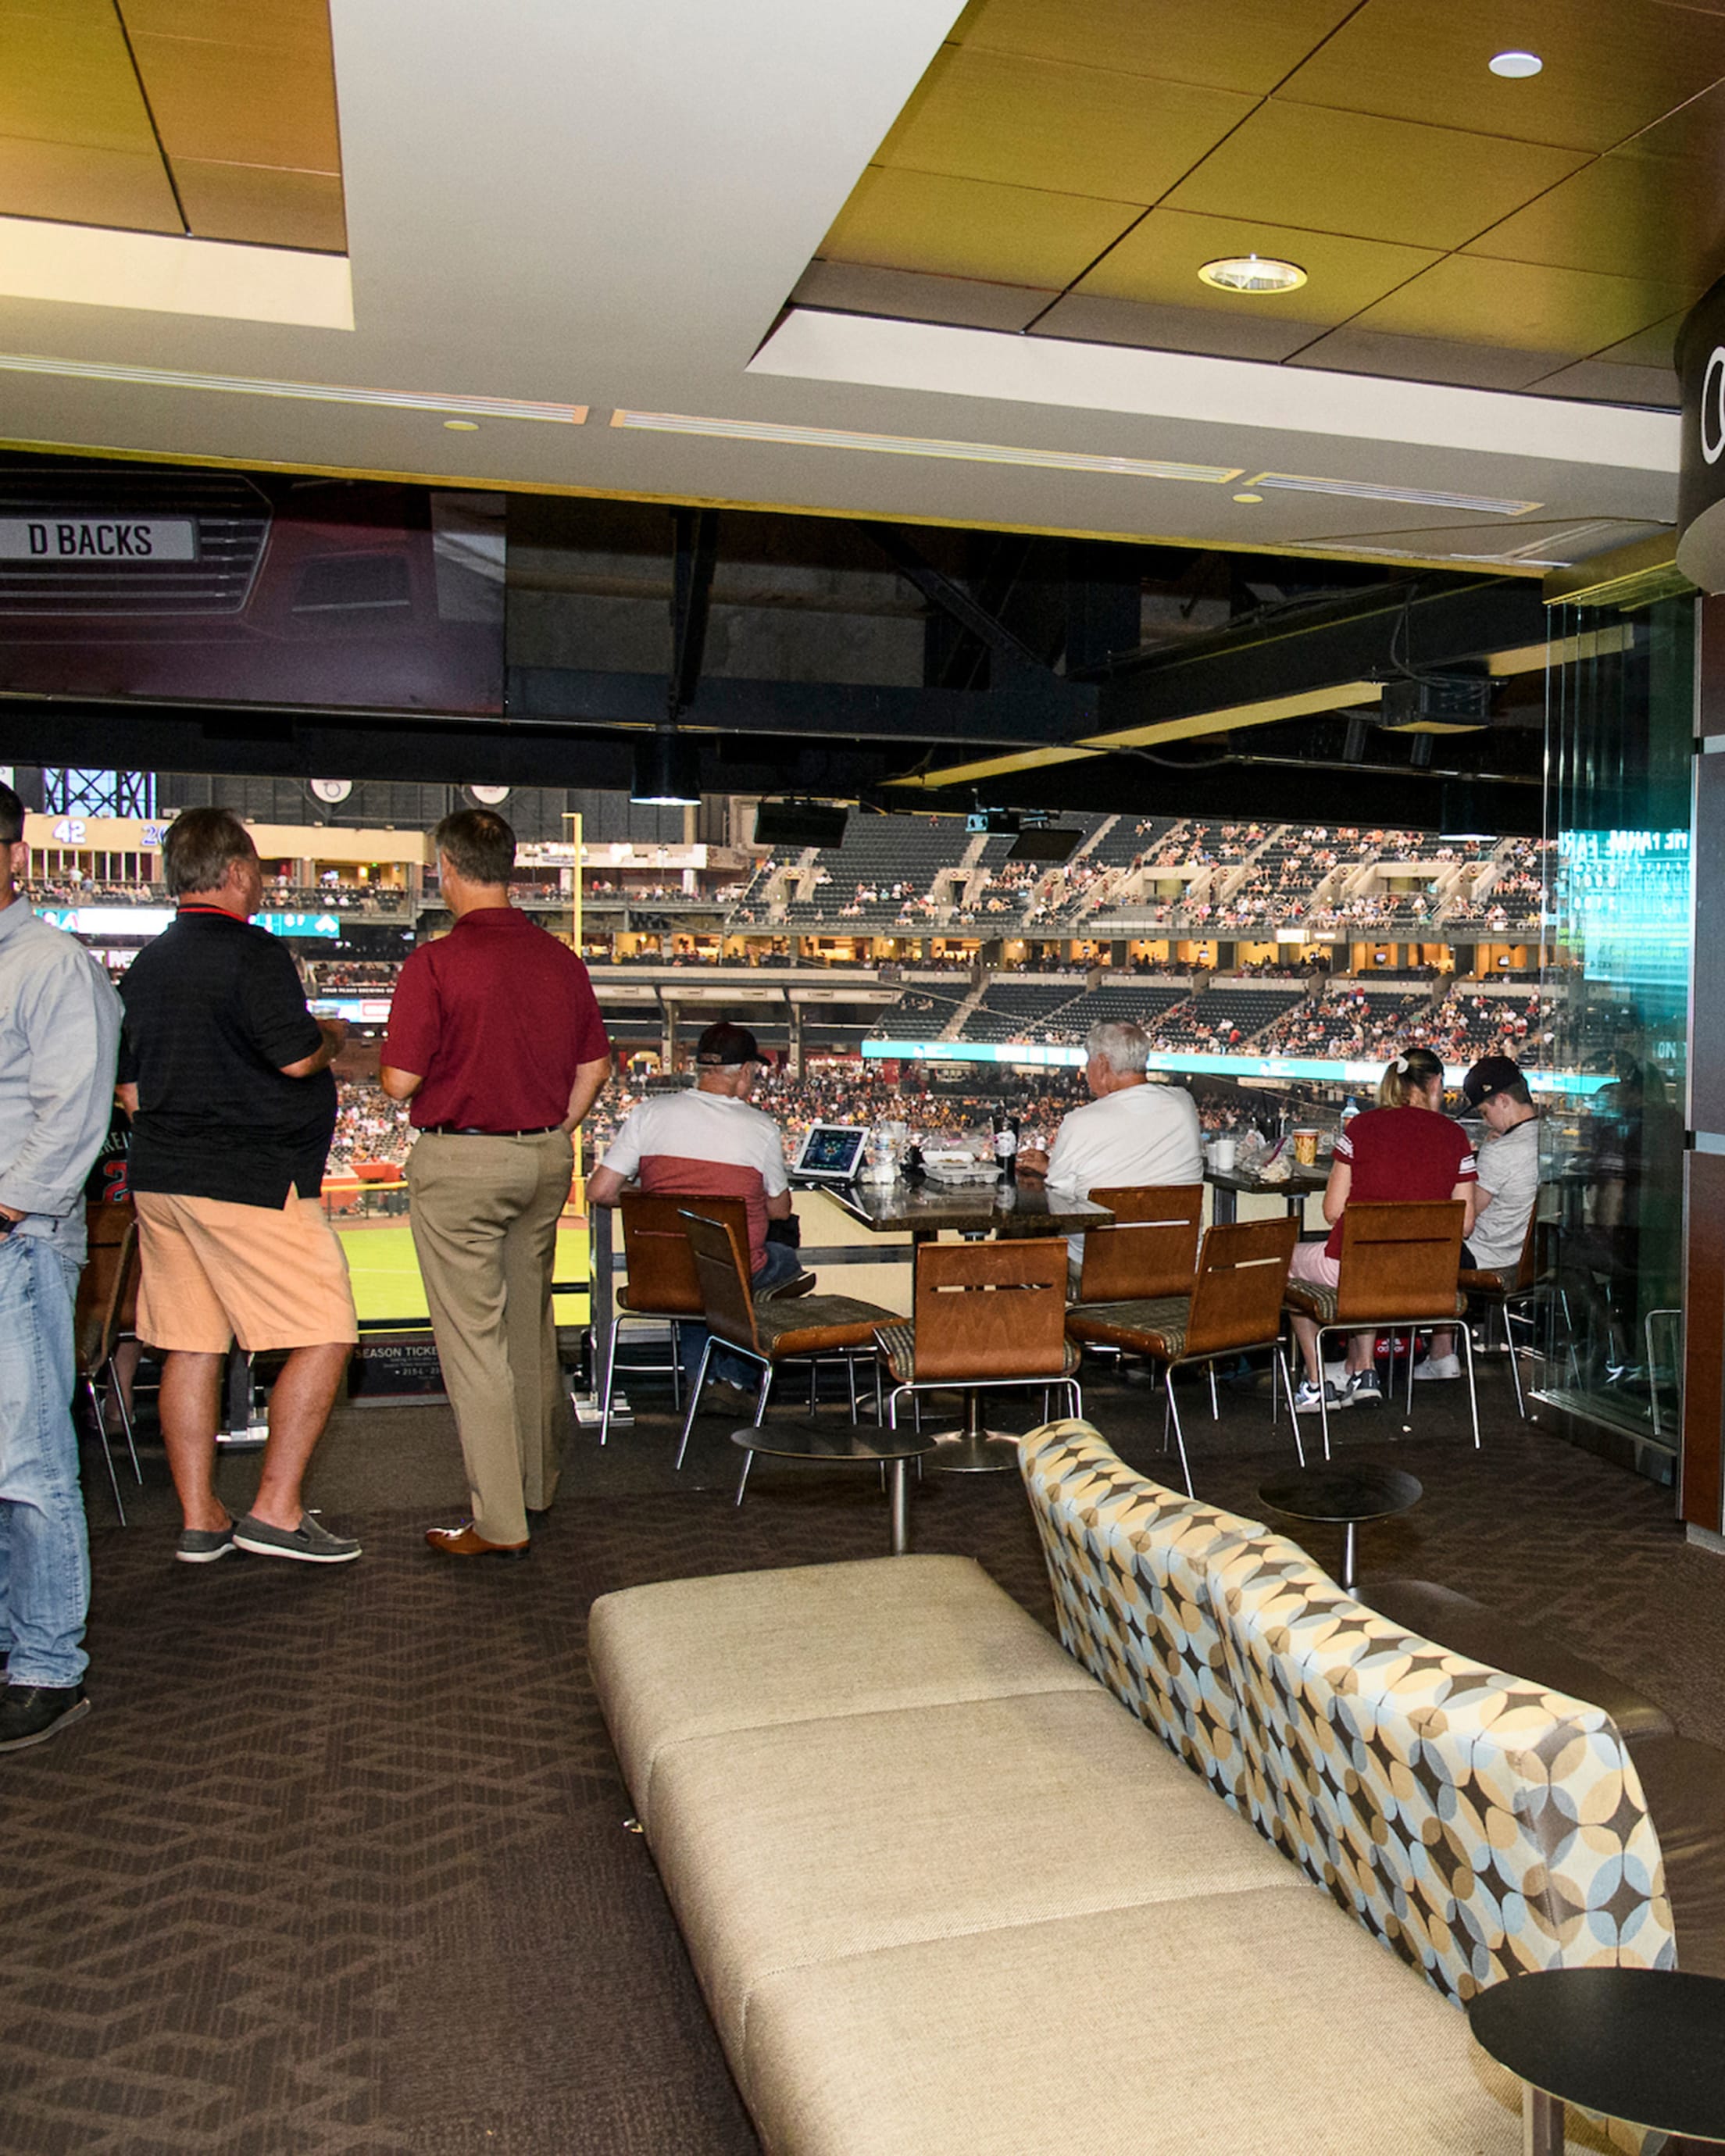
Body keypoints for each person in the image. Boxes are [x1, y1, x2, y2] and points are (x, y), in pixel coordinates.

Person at [118, 806, 362, 1566]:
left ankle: (200, 1519)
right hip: (251, 1178)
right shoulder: (252, 953)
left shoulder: (146, 964)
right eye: (256, 867)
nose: (260, 880)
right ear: (233, 871)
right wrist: (335, 1036)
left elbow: (129, 1094)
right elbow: (295, 1059)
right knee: (327, 1331)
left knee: (190, 1345)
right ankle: (275, 1511)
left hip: (163, 1179)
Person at [381, 808, 611, 1560]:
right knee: (529, 1330)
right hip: (544, 1155)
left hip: (464, 1160)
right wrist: (555, 1132)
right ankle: (536, 1488)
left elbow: (398, 1081)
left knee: (475, 1347)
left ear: (447, 866)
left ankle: (498, 1522)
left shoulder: (436, 963)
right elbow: (596, 1067)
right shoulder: (561, 959)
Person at [0, 780, 123, 1752]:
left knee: (28, 1462)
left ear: (11, 852)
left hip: (18, 1244)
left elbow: (70, 1119)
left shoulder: (49, 964)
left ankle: (47, 1664)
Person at [587, 1023, 805, 1386]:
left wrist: (654, 1197)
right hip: (735, 1272)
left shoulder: (648, 1114)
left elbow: (601, 1192)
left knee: (693, 1275)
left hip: (664, 1273)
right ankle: (735, 1379)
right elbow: (780, 1210)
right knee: (780, 1260)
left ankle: (703, 1381)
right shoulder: (760, 1127)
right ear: (745, 1072)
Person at [1288, 1046, 1476, 1415]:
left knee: (1290, 1264)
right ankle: (1361, 1373)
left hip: (1362, 1271)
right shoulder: (1455, 1136)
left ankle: (1316, 1384)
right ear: (1435, 1083)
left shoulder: (1361, 1127)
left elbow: (1332, 1212)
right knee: (1371, 1270)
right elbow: (1465, 1223)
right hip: (1427, 1278)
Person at [1016, 1020, 1203, 1274]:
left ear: (1103, 1064)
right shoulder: (1184, 1103)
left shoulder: (1080, 1121)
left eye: (1089, 1061)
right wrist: (1053, 1167)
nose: (1086, 1069)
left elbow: (1057, 1202)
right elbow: (1133, 1158)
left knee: (1015, 1237)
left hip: (1102, 1266)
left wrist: (1052, 1171)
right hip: (1177, 1261)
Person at [1420, 1054, 1541, 1382]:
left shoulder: (1500, 1151)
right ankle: (1440, 1351)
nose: (1486, 1122)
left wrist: (1480, 1157)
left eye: (1486, 1112)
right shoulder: (1545, 1140)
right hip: (1528, 1257)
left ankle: (1440, 1353)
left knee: (1427, 1246)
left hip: (1487, 1257)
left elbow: (1466, 1213)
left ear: (1502, 1100)